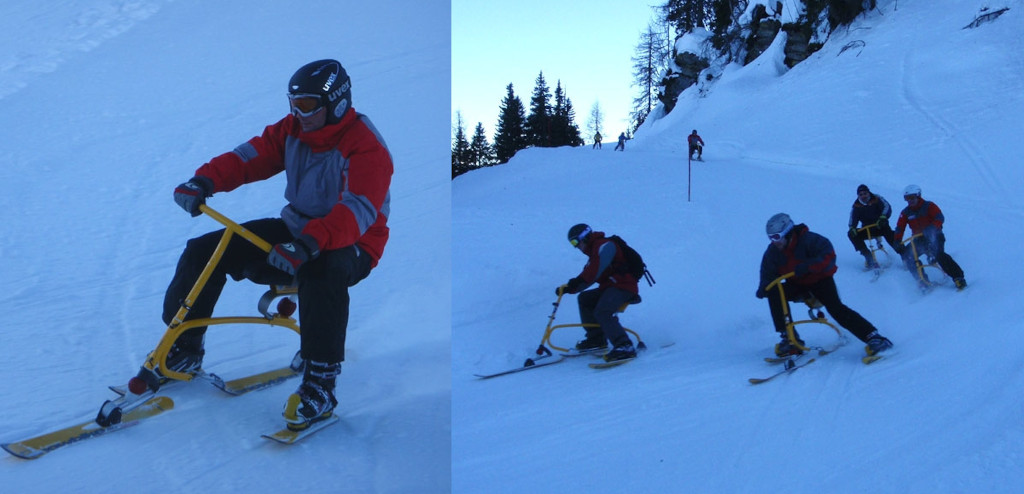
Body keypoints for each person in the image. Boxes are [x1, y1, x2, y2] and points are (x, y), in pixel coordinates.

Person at [165, 59, 393, 430]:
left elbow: (357, 211)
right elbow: (249, 157)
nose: (297, 113)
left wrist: (308, 244)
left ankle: (320, 383)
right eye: (293, 104)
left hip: (354, 243)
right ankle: (183, 349)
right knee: (207, 249)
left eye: (306, 105)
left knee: (322, 271)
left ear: (335, 103)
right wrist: (204, 181)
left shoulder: (366, 147)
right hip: (297, 230)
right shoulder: (293, 131)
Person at [756, 213, 893, 358]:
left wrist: (809, 266)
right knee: (774, 292)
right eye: (770, 238)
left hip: (819, 281)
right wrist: (764, 286)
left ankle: (874, 337)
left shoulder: (810, 240)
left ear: (787, 232)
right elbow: (767, 272)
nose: (774, 241)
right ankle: (789, 338)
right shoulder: (773, 252)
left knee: (836, 309)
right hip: (796, 284)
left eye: (776, 237)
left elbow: (829, 257)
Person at [558, 224, 640, 362]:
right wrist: (570, 287)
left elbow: (594, 271)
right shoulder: (594, 251)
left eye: (576, 241)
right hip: (611, 287)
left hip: (623, 286)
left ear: (585, 236)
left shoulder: (604, 245)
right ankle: (596, 339)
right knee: (585, 299)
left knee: (603, 311)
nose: (576, 246)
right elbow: (589, 273)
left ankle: (624, 346)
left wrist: (576, 283)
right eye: (573, 243)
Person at [893, 184, 967, 290]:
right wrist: (897, 240)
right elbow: (900, 227)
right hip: (919, 239)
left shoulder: (929, 206)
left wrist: (932, 228)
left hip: (934, 236)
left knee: (938, 254)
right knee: (908, 256)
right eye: (907, 198)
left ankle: (958, 278)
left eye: (912, 198)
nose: (910, 201)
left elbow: (939, 217)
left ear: (918, 196)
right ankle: (921, 280)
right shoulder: (905, 212)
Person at [847, 184, 900, 268]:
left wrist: (883, 217)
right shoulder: (856, 206)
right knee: (851, 234)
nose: (863, 196)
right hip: (868, 229)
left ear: (868, 193)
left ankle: (905, 255)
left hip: (880, 226)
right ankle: (868, 256)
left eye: (865, 193)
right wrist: (852, 227)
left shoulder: (876, 199)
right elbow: (853, 218)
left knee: (890, 235)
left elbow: (886, 207)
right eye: (861, 194)